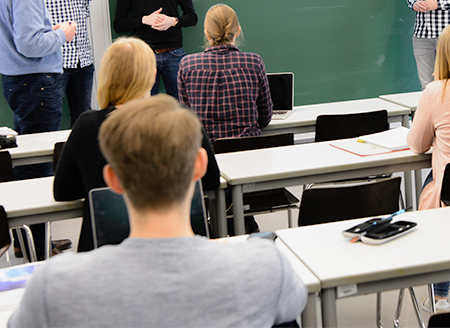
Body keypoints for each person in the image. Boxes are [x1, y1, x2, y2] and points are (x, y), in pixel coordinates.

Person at [9, 95, 307, 328]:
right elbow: (294, 308)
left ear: (112, 179)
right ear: (200, 166)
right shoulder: (266, 266)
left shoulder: (54, 286)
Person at [53, 37, 219, 251]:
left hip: (105, 250)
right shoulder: (178, 118)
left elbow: (63, 192)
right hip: (180, 243)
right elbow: (211, 180)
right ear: (151, 76)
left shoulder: (87, 125)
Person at [0, 0, 76, 260]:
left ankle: (27, 241)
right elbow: (31, 44)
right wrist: (62, 33)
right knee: (37, 171)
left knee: (27, 166)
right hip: (36, 83)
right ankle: (37, 248)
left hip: (21, 82)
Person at [178, 3, 273, 143]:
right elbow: (265, 117)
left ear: (207, 34)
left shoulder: (187, 65)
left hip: (207, 152)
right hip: (249, 150)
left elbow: (186, 119)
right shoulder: (254, 62)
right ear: (238, 31)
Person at [407, 24, 450, 312]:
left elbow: (417, 144)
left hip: (449, 197)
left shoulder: (436, 91)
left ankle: (441, 295)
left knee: (432, 185)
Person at [36, 0, 94, 127]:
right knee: (50, 119)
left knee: (83, 119)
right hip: (54, 62)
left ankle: (80, 160)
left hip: (83, 60)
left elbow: (85, 8)